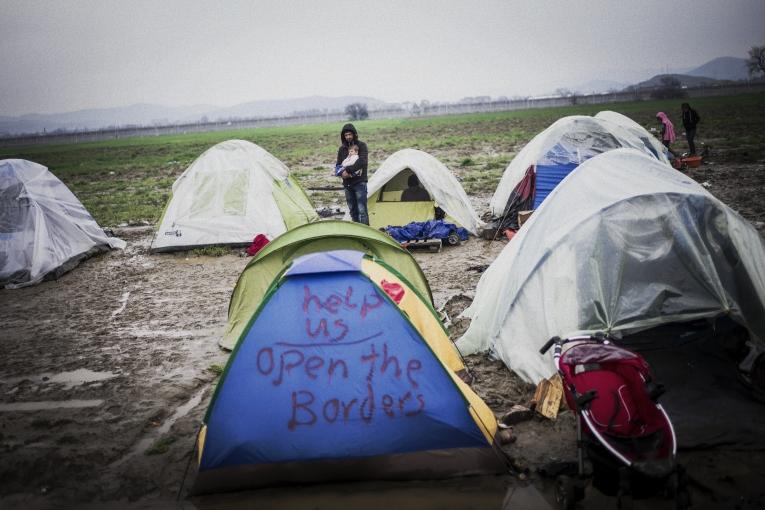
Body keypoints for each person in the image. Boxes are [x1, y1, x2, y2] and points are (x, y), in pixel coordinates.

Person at [336, 124, 369, 225]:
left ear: (354, 134)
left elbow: (362, 162)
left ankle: (366, 233)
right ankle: (357, 233)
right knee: (352, 210)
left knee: (362, 210)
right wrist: (341, 173)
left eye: (350, 134)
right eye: (346, 135)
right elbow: (338, 164)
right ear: (343, 136)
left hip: (359, 182)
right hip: (347, 184)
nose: (348, 137)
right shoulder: (342, 149)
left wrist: (348, 171)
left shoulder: (362, 146)